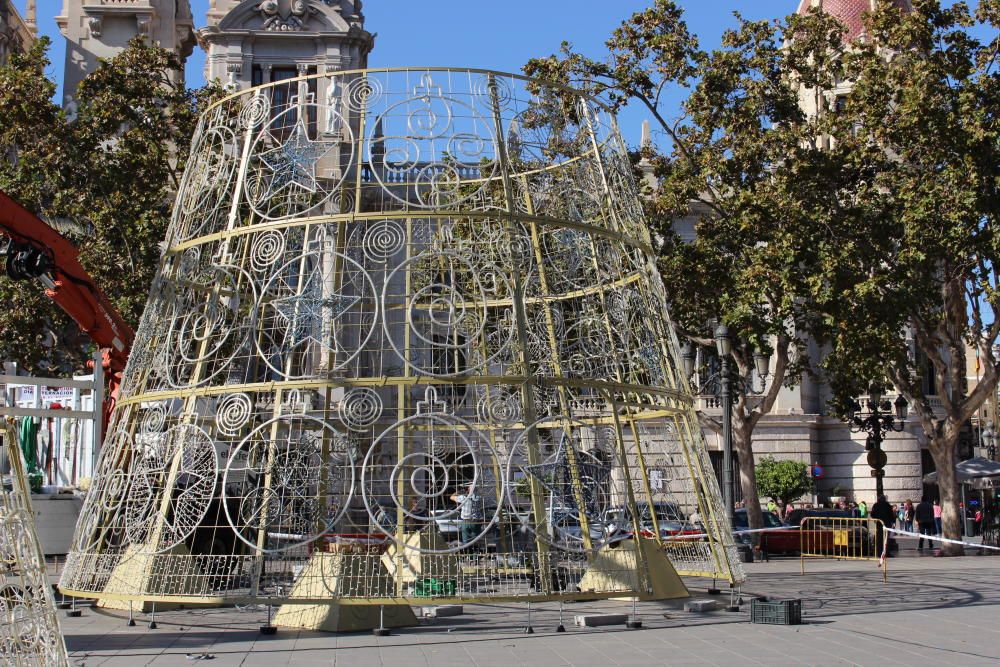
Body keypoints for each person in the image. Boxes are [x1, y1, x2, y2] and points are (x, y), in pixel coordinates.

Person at [451, 484, 485, 550]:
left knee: (465, 542)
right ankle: (475, 555)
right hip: (476, 523)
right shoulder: (479, 498)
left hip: (466, 522)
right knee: (475, 541)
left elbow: (451, 497)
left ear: (468, 490)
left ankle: (467, 555)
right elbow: (482, 493)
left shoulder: (463, 497)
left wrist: (459, 492)